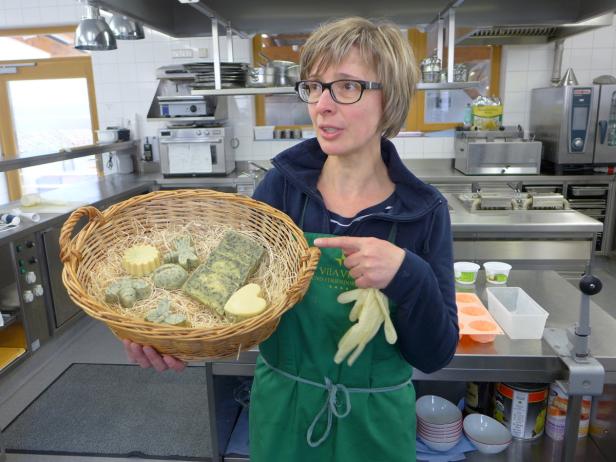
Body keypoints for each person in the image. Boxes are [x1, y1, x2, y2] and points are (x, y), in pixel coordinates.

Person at [124, 17, 458, 462]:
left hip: (376, 426)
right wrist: (169, 334)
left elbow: (435, 354)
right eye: (315, 87)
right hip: (285, 413)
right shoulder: (280, 189)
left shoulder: (424, 212)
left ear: (390, 98)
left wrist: (407, 275)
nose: (322, 104)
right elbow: (216, 293)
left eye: (346, 87)